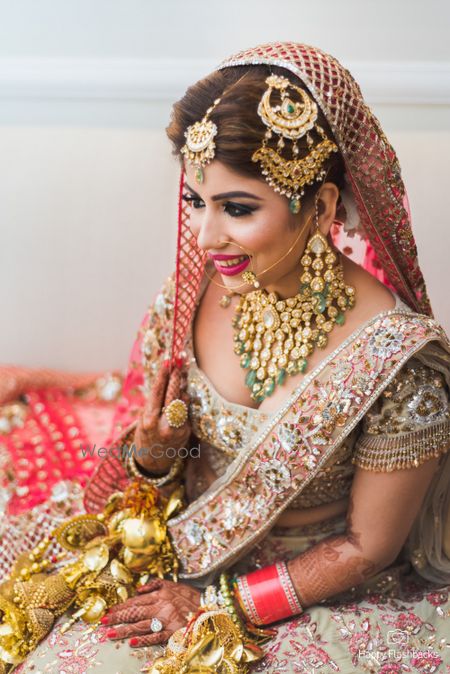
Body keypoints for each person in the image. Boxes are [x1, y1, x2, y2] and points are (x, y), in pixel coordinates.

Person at [1, 40, 450, 674]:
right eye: (195, 202)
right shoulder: (202, 292)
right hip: (178, 548)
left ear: (319, 208)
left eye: (237, 209)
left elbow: (367, 547)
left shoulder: (401, 362)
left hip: (309, 596)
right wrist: (156, 459)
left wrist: (220, 604)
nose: (206, 237)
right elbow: (176, 462)